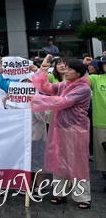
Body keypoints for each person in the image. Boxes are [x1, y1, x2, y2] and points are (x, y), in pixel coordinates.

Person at [31, 55, 92, 209]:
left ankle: (82, 196)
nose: (65, 71)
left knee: (78, 163)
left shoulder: (83, 89)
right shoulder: (63, 85)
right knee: (58, 160)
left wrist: (36, 100)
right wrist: (43, 69)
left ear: (78, 73)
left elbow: (64, 102)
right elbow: (45, 87)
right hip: (59, 128)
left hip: (76, 129)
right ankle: (60, 193)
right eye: (65, 68)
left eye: (69, 69)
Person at [83, 57, 106, 182]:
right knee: (102, 156)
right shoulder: (96, 79)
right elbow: (79, 80)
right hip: (100, 123)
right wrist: (83, 66)